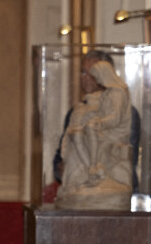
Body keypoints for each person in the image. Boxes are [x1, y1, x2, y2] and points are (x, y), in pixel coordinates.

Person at [53, 51, 140, 194]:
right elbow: (59, 159)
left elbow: (129, 155)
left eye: (92, 73)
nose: (86, 78)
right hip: (80, 182)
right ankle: (91, 168)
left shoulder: (125, 106)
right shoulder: (76, 110)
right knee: (77, 136)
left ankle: (94, 168)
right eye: (83, 72)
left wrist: (98, 123)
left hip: (115, 186)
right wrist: (61, 167)